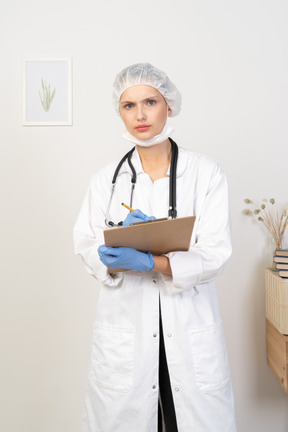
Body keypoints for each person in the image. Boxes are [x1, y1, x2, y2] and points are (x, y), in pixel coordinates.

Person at [73, 63, 237, 432]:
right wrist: (109, 256)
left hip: (188, 328)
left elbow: (214, 254)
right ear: (120, 112)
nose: (141, 115)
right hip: (127, 335)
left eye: (150, 101)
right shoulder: (105, 182)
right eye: (129, 105)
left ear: (170, 105)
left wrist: (153, 262)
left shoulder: (204, 173)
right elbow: (85, 244)